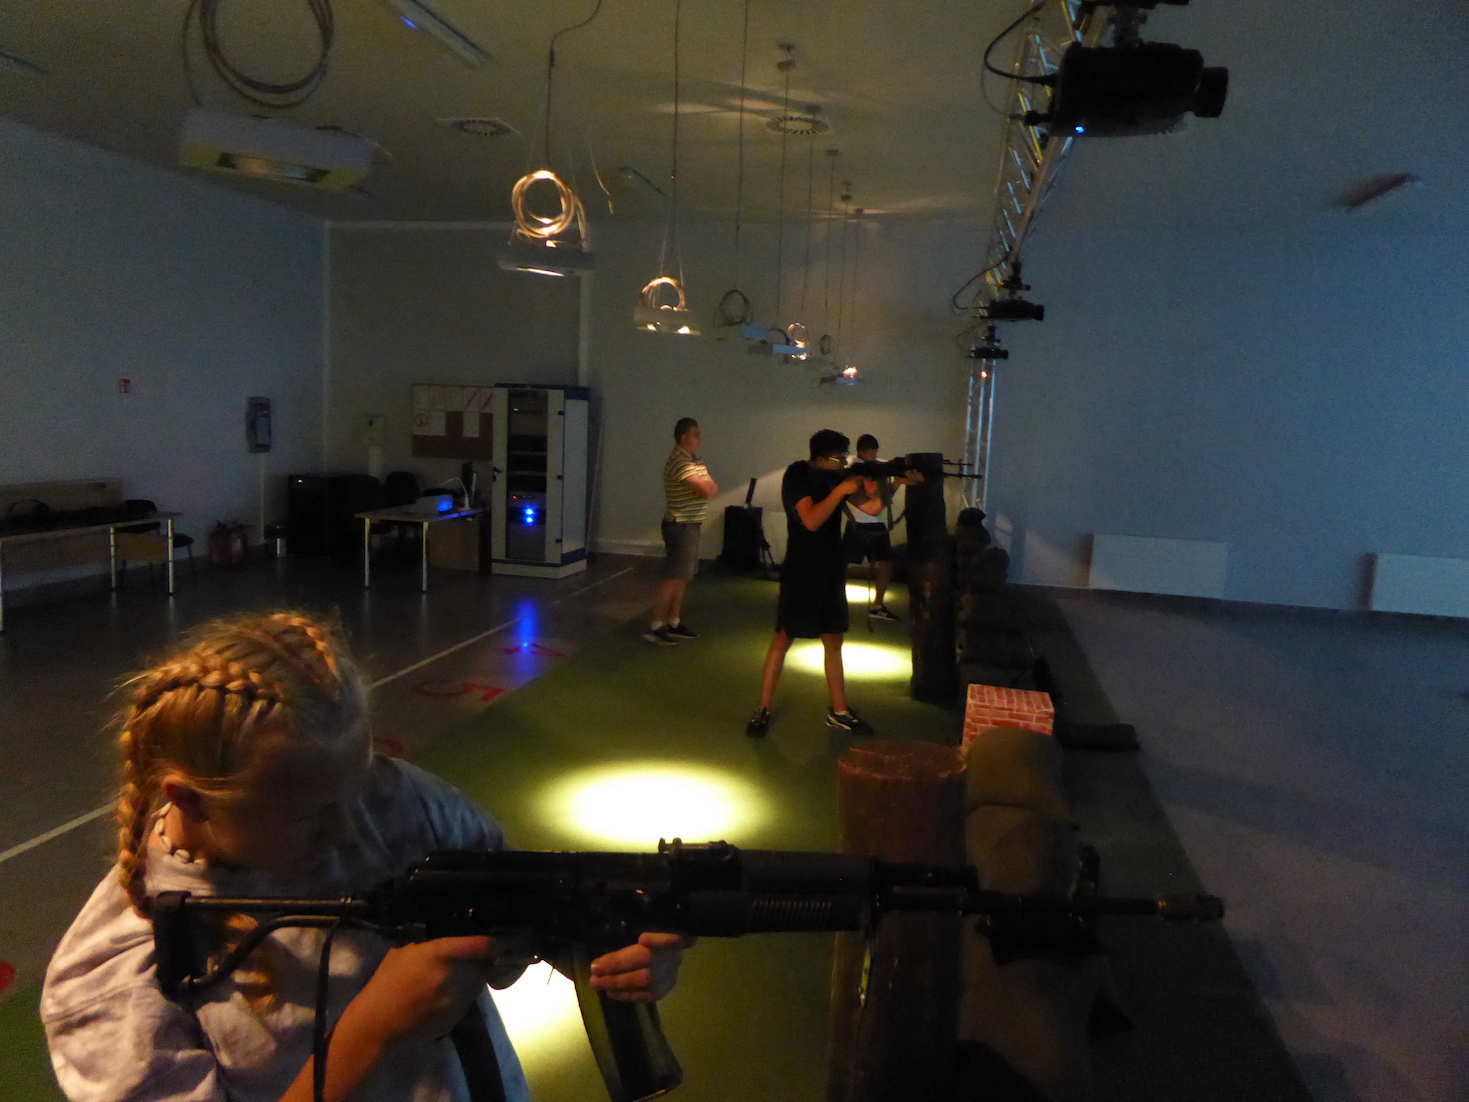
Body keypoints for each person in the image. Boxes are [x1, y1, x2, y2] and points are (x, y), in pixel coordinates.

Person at [42, 612, 686, 1102]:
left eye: (360, 782)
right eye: (311, 813)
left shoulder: (398, 802)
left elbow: (527, 905)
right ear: (190, 799)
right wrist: (372, 1034)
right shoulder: (111, 974)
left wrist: (607, 951)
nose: (351, 824)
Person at [746, 430, 882, 739]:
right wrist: (840, 491)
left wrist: (892, 484)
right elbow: (810, 521)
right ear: (820, 458)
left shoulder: (837, 478)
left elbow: (872, 508)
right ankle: (762, 708)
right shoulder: (797, 475)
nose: (844, 463)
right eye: (840, 458)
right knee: (783, 637)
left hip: (831, 567)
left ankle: (839, 712)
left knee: (833, 639)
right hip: (802, 569)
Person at [645, 417, 718, 646]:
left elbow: (712, 489)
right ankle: (656, 626)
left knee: (682, 576)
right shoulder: (680, 461)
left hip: (690, 524)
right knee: (673, 576)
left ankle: (673, 622)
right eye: (696, 434)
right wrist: (704, 487)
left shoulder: (694, 460)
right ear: (684, 437)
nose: (700, 438)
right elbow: (705, 489)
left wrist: (704, 487)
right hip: (680, 525)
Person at [843, 434, 921, 621]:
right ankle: (833, 601)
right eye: (872, 452)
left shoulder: (876, 468)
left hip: (875, 524)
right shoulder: (855, 471)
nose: (874, 456)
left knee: (885, 564)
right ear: (862, 452)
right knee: (842, 565)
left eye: (875, 452)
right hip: (858, 523)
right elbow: (873, 503)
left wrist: (898, 480)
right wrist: (896, 482)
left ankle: (877, 605)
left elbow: (878, 501)